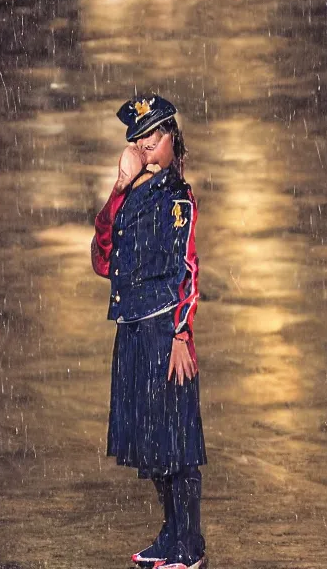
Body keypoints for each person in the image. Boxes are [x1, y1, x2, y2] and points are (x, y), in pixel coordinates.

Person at [92, 94, 206, 568]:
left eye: (153, 137)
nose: (144, 148)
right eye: (138, 140)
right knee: (151, 441)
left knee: (176, 442)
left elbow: (189, 270)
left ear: (172, 140)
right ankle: (171, 534)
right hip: (134, 329)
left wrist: (181, 335)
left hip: (164, 330)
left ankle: (190, 544)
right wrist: (119, 187)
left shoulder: (178, 199)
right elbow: (102, 258)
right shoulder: (134, 193)